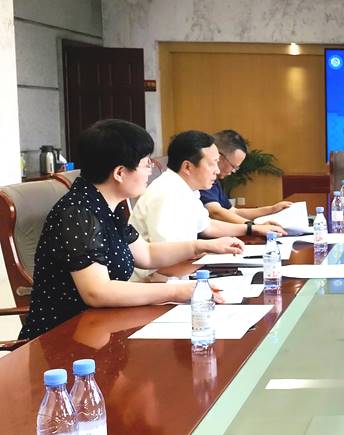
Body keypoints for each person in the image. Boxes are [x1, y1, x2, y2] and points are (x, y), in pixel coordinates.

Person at [19, 119, 243, 340]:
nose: (150, 172)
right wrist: (176, 292)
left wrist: (202, 246)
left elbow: (146, 254)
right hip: (62, 338)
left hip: (102, 326)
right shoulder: (78, 212)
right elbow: (97, 292)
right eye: (146, 165)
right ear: (120, 172)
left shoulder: (107, 206)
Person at [130, 130, 284, 280]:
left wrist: (252, 228)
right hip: (153, 286)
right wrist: (210, 251)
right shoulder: (167, 195)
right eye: (213, 163)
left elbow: (208, 226)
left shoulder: (184, 188)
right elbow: (167, 265)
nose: (217, 170)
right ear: (187, 167)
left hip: (176, 279)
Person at [198, 129, 293, 225]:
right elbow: (215, 212)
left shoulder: (214, 181)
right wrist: (254, 227)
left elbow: (233, 212)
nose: (233, 171)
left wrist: (272, 209)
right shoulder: (201, 179)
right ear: (219, 157)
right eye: (233, 166)